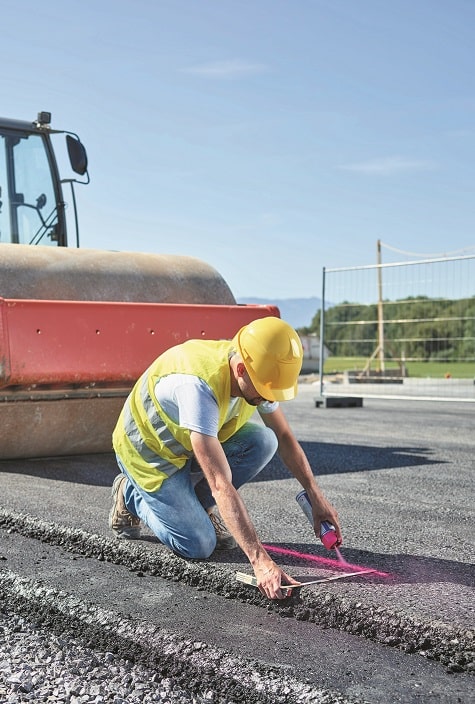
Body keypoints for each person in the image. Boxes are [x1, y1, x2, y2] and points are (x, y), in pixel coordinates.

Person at [109, 316, 342, 600]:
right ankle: (131, 494)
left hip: (188, 442)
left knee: (263, 441)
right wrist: (260, 561)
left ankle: (197, 509)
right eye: (266, 391)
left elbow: (283, 437)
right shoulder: (197, 387)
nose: (269, 399)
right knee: (199, 544)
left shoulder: (257, 369)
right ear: (241, 369)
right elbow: (220, 482)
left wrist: (315, 495)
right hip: (149, 453)